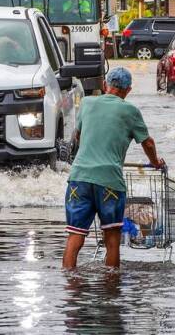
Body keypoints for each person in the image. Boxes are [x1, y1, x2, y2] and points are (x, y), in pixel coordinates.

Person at [62, 67, 165, 270]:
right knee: (112, 237)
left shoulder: (87, 103)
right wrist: (154, 162)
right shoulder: (130, 111)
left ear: (105, 85)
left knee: (75, 234)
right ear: (128, 90)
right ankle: (111, 283)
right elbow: (148, 143)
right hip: (109, 182)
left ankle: (69, 282)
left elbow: (78, 136)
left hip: (79, 178)